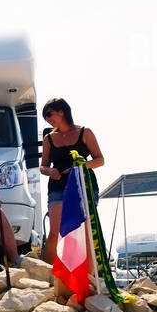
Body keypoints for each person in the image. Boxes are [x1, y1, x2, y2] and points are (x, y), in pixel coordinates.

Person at [39, 98, 105, 263]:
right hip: (58, 187)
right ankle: (48, 274)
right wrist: (50, 171)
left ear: (62, 111)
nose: (47, 119)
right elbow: (43, 166)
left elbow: (100, 159)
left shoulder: (85, 132)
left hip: (83, 185)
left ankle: (90, 276)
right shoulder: (48, 138)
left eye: (49, 114)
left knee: (85, 230)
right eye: (44, 116)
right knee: (55, 230)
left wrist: (83, 165)